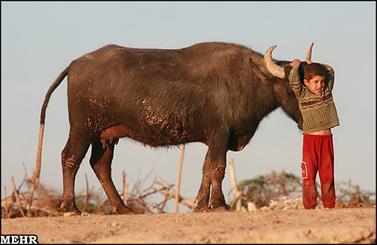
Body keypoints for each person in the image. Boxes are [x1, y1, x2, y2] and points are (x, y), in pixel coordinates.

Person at [289, 58, 340, 209]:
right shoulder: (302, 94)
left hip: (327, 141)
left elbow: (330, 70)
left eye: (322, 81)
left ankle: (329, 207)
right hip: (310, 141)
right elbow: (293, 81)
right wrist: (299, 67)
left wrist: (311, 64)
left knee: (327, 176)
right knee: (308, 176)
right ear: (306, 82)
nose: (319, 85)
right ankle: (309, 207)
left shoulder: (327, 90)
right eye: (315, 82)